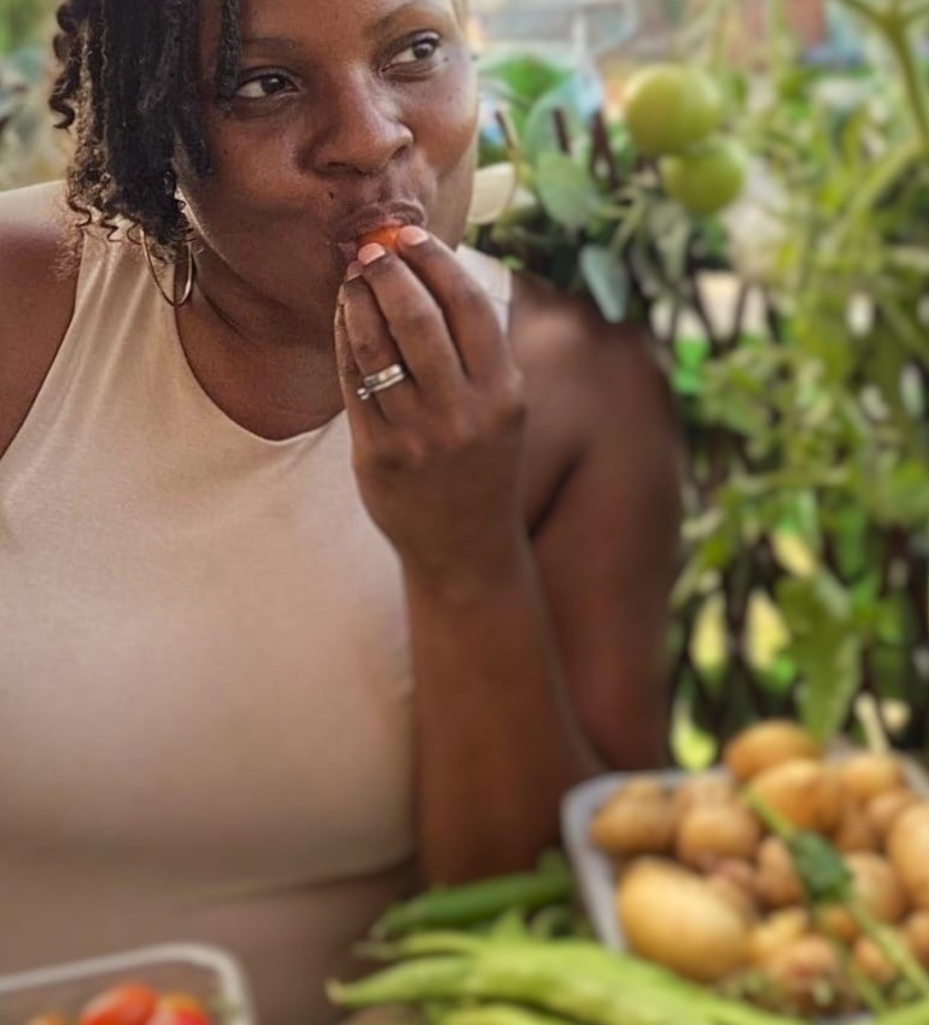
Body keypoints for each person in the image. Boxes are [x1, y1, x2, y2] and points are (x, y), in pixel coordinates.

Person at [0, 0, 682, 1022]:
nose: (368, 138)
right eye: (263, 85)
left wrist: (465, 557)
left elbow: (565, 930)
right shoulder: (27, 308)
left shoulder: (584, 393)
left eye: (413, 52)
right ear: (151, 128)